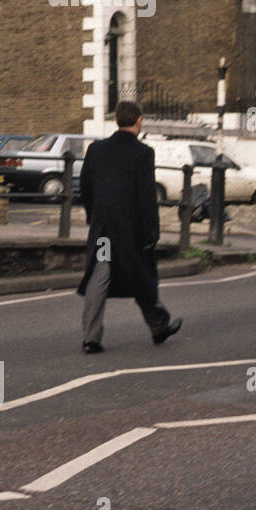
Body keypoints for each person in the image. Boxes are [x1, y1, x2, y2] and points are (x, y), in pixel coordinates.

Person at [77, 101, 182, 353]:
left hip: (103, 229)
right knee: (142, 276)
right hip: (132, 230)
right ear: (139, 121)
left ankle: (91, 337)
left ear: (116, 121)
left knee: (99, 276)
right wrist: (152, 232)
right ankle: (159, 326)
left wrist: (95, 217)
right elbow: (146, 196)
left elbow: (85, 186)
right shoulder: (143, 153)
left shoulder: (96, 149)